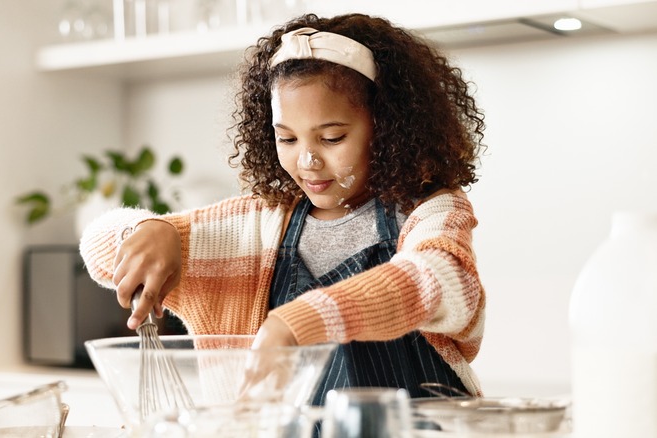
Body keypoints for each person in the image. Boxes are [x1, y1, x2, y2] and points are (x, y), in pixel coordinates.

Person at [79, 12, 487, 402]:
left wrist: (296, 323)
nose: (307, 161)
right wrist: (150, 231)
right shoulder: (254, 227)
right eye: (288, 139)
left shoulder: (429, 213)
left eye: (331, 138)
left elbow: (434, 279)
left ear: (387, 127)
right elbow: (98, 249)